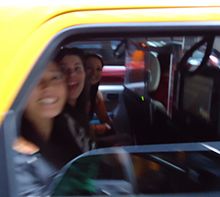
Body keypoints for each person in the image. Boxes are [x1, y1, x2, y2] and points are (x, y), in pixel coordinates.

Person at [13, 60, 83, 196]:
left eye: (55, 77)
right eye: (34, 79)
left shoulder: (64, 130)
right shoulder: (16, 152)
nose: (47, 87)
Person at [85, 53, 114, 136]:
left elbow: (105, 119)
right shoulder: (73, 95)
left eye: (98, 69)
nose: (94, 73)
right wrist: (97, 128)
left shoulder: (96, 95)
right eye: (89, 68)